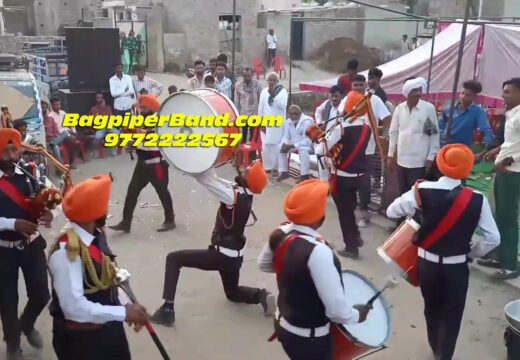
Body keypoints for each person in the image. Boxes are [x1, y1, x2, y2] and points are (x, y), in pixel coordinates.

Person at [386, 144, 500, 360]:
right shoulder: (477, 199)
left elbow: (392, 210)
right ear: (467, 169)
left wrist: (417, 214)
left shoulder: (420, 191)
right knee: (452, 315)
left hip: (426, 265)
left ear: (440, 164)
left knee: (431, 309)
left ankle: (434, 346)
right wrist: (473, 253)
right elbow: (493, 238)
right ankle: (444, 355)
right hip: (456, 267)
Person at [150, 161, 274, 326]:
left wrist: (188, 164)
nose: (243, 170)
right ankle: (261, 295)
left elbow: (205, 180)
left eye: (246, 172)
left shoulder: (232, 196)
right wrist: (207, 159)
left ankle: (167, 309)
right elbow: (212, 177)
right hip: (234, 258)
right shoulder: (242, 192)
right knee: (232, 293)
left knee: (173, 259)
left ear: (248, 181)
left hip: (221, 255)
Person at [257, 179, 370, 360]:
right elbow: (338, 312)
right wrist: (358, 315)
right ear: (319, 216)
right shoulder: (319, 252)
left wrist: (294, 274)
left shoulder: (281, 232)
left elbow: (263, 264)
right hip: (309, 341)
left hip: (283, 324)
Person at [0, 129, 52, 359]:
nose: (11, 152)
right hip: (2, 249)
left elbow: (50, 198)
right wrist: (13, 224)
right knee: (8, 300)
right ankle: (12, 345)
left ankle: (25, 324)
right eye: (5, 150)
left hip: (32, 245)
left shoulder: (32, 172)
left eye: (14, 148)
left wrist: (48, 213)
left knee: (41, 294)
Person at [49, 174, 149, 360]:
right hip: (82, 342)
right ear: (94, 212)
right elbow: (74, 308)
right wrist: (123, 312)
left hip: (109, 329)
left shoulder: (95, 236)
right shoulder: (66, 252)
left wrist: (127, 305)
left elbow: (108, 275)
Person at [477, 78, 520, 280]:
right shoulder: (512, 116)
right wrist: (498, 150)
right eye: (503, 91)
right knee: (498, 216)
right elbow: (515, 142)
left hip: (512, 174)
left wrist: (509, 159)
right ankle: (499, 256)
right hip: (504, 172)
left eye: (508, 92)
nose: (503, 95)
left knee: (508, 221)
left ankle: (511, 266)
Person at [309, 91, 372, 259]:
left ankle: (351, 247)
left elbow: (320, 150)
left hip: (342, 176)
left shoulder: (341, 128)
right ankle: (356, 236)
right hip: (360, 174)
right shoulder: (367, 127)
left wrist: (317, 137)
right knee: (350, 208)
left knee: (344, 212)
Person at [109, 95, 175, 234]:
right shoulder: (141, 120)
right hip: (142, 163)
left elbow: (150, 136)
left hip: (156, 163)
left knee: (162, 192)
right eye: (141, 107)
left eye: (144, 107)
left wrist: (135, 139)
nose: (141, 109)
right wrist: (131, 143)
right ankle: (126, 223)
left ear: (151, 108)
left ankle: (170, 220)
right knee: (132, 192)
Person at [337, 75, 392, 227]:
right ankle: (349, 210)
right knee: (347, 179)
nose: (358, 88)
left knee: (364, 183)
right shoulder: (347, 98)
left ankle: (364, 214)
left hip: (366, 149)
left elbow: (387, 118)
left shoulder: (374, 100)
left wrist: (385, 135)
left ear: (365, 85)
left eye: (361, 85)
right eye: (355, 85)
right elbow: (339, 117)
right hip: (348, 147)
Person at [387, 77, 440, 214]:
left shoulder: (428, 108)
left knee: (416, 195)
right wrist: (390, 155)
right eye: (414, 90)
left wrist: (431, 156)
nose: (418, 93)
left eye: (419, 90)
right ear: (407, 91)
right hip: (402, 160)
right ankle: (402, 224)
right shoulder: (399, 109)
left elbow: (434, 134)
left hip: (419, 161)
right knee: (403, 194)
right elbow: (393, 132)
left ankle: (415, 226)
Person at [439, 80, 494, 148]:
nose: (463, 97)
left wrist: (487, 144)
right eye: (462, 93)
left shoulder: (478, 111)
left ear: (474, 98)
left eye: (468, 95)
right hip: (444, 146)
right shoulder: (449, 109)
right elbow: (439, 127)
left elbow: (486, 129)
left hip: (462, 149)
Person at [258, 72, 288, 175]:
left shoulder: (282, 92)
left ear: (277, 81)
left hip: (277, 124)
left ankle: (276, 168)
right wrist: (260, 122)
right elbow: (261, 108)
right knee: (265, 146)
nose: (271, 82)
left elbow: (283, 106)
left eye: (273, 80)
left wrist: (273, 95)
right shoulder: (264, 92)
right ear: (267, 81)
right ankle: (267, 167)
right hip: (266, 123)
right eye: (269, 80)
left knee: (276, 146)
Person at [277, 105, 314, 182]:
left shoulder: (307, 122)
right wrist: (284, 144)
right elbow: (285, 136)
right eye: (291, 114)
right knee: (280, 147)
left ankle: (304, 175)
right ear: (288, 114)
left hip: (308, 146)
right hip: (293, 145)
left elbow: (308, 140)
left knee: (303, 151)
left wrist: (292, 145)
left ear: (300, 113)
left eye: (295, 113)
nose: (293, 116)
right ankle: (284, 172)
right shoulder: (288, 122)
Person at [42, 101, 79, 168]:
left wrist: (73, 131)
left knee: (73, 140)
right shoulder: (50, 115)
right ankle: (64, 163)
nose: (58, 106)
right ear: (52, 106)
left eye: (59, 104)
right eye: (56, 104)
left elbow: (70, 123)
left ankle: (72, 162)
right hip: (57, 136)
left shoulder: (62, 113)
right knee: (66, 138)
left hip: (61, 134)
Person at [234, 67, 262, 142]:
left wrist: (260, 113)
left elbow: (260, 99)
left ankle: (252, 153)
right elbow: (237, 101)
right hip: (243, 113)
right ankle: (243, 152)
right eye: (245, 76)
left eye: (249, 76)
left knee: (253, 137)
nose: (247, 77)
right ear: (243, 76)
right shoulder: (238, 85)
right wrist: (237, 114)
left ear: (252, 75)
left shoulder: (257, 84)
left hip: (254, 113)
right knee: (243, 135)